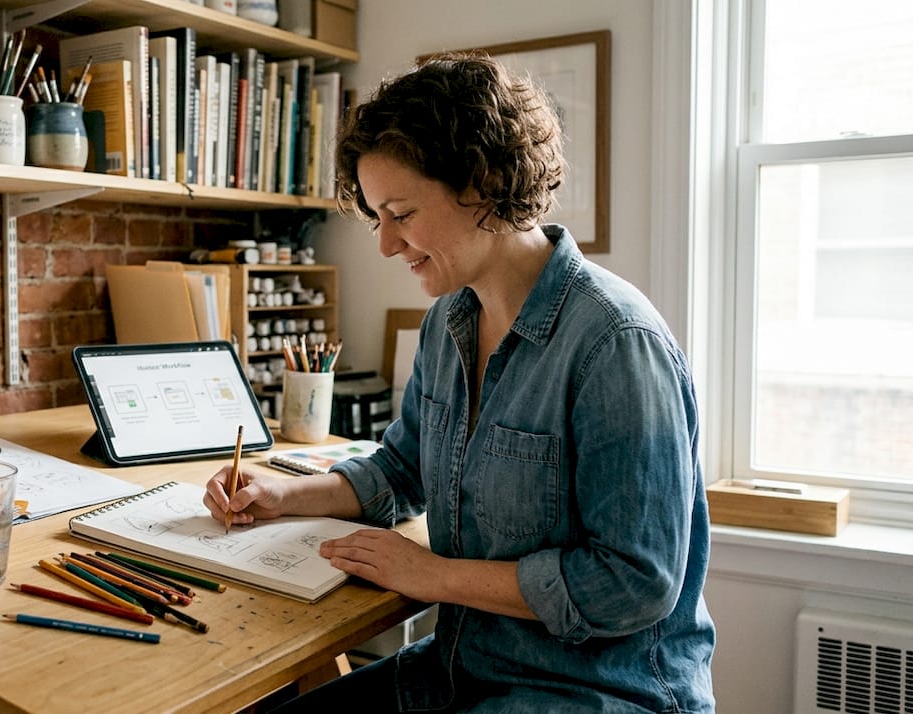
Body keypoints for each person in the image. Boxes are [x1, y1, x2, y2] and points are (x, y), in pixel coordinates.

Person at [204, 53, 715, 712]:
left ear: (482, 184)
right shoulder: (450, 318)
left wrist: (437, 576)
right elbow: (402, 471)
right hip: (459, 670)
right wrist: (284, 494)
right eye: (376, 218)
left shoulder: (617, 343)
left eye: (402, 213)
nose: (386, 244)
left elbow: (633, 585)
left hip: (597, 693)